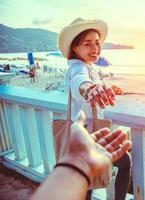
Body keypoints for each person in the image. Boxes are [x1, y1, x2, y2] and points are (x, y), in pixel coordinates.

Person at [58, 18, 132, 200]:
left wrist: (105, 87)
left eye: (97, 43)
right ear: (75, 48)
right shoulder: (77, 68)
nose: (95, 48)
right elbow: (79, 82)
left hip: (84, 135)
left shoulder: (88, 67)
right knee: (125, 162)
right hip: (89, 135)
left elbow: (88, 81)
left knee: (87, 182)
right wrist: (89, 88)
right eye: (87, 44)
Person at [31, 111, 132, 200]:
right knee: (88, 184)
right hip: (88, 132)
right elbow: (80, 89)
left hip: (86, 137)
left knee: (87, 182)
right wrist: (89, 90)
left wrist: (76, 165)